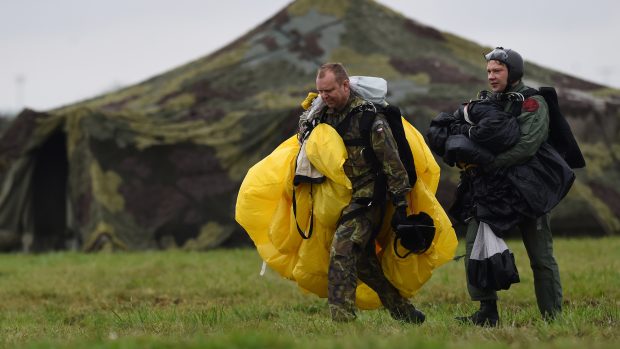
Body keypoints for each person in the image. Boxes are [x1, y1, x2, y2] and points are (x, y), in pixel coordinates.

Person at [440, 47, 564, 326]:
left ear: (513, 72)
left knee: (541, 256)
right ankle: (487, 312)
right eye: (489, 72)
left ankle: (553, 317)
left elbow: (527, 145)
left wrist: (488, 162)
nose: (491, 76)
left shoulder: (533, 102)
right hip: (491, 190)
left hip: (528, 189)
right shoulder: (487, 103)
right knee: (475, 247)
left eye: (498, 71)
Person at [312, 63, 425, 323]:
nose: (324, 96)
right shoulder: (322, 116)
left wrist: (401, 206)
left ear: (344, 85)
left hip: (369, 197)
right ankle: (404, 312)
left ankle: (342, 323)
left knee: (342, 250)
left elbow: (392, 163)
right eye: (320, 92)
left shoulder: (369, 118)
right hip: (340, 197)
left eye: (329, 90)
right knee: (363, 262)